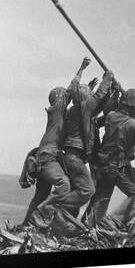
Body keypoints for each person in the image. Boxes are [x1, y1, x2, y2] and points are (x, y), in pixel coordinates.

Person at [21, 57, 91, 226]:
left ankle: (26, 226)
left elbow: (77, 101)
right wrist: (81, 68)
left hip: (46, 156)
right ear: (59, 98)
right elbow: (71, 89)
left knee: (41, 195)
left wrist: (89, 91)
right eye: (63, 97)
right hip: (48, 157)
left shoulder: (58, 114)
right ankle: (41, 214)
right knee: (63, 184)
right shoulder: (57, 110)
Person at [84, 89, 135, 225]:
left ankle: (91, 225)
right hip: (116, 166)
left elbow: (132, 136)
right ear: (133, 107)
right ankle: (112, 222)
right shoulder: (132, 125)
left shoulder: (111, 116)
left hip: (104, 164)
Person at [60, 69, 115, 216]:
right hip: (74, 157)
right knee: (87, 190)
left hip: (72, 156)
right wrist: (107, 78)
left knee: (77, 192)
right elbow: (98, 97)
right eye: (88, 94)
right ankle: (53, 207)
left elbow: (99, 115)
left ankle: (66, 222)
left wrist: (113, 94)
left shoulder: (76, 111)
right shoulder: (84, 108)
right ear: (85, 98)